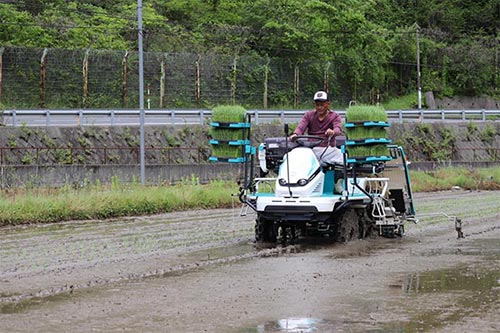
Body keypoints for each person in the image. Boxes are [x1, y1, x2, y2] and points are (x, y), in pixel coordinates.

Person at [289, 90, 344, 166]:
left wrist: (332, 132)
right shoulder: (308, 115)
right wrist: (295, 134)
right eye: (317, 105)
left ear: (328, 104)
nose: (319, 107)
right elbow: (301, 127)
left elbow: (338, 129)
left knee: (342, 156)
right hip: (312, 149)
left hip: (327, 150)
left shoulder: (335, 116)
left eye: (322, 105)